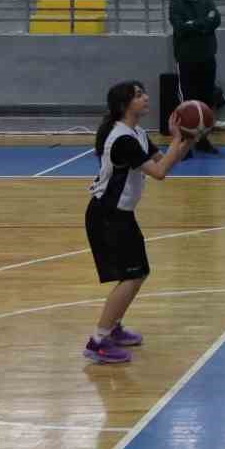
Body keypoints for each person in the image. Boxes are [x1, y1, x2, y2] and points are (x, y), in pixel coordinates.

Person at [83, 80, 190, 364]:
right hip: (107, 215)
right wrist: (179, 139)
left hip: (120, 214)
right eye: (138, 95)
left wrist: (185, 138)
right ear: (124, 105)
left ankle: (113, 327)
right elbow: (160, 172)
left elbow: (163, 159)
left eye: (143, 93)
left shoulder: (137, 133)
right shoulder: (123, 139)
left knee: (138, 272)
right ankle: (98, 342)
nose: (145, 98)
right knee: (131, 275)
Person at [168, 0, 221, 156]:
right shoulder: (175, 4)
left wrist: (193, 24)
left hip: (207, 59)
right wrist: (203, 23)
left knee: (206, 101)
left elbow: (215, 20)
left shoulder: (207, 1)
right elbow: (180, 28)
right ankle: (184, 146)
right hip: (186, 60)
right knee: (187, 104)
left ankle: (203, 141)